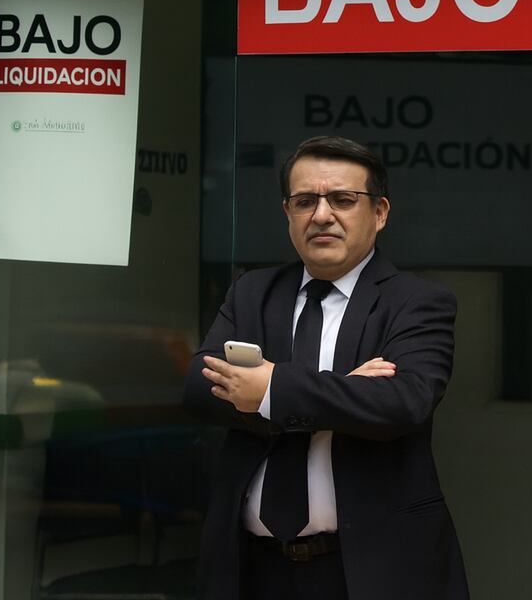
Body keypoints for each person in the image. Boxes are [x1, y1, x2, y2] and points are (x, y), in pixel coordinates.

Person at [183, 135, 469, 600]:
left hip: (369, 572)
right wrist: (343, 393)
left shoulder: (416, 302)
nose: (321, 215)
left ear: (379, 213)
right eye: (304, 202)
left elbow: (402, 404)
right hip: (252, 570)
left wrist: (270, 390)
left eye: (342, 200)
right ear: (287, 213)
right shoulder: (252, 292)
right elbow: (199, 389)